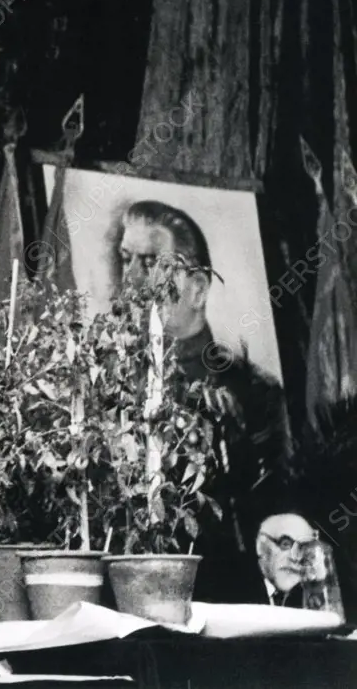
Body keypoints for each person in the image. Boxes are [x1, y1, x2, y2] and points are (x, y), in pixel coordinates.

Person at [109, 200, 293, 602]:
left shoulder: (251, 392)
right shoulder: (108, 389)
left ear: (199, 287)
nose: (133, 280)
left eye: (152, 262)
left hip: (224, 599)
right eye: (127, 260)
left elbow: (275, 521)